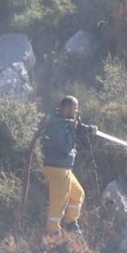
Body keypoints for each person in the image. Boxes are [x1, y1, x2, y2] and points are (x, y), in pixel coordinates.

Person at [41, 95, 99, 236]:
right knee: (58, 205)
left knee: (78, 194)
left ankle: (70, 224)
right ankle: (53, 233)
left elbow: (75, 127)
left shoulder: (65, 122)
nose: (76, 111)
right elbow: (65, 147)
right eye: (75, 108)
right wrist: (73, 130)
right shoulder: (55, 125)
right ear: (67, 108)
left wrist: (88, 129)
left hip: (64, 169)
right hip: (56, 169)